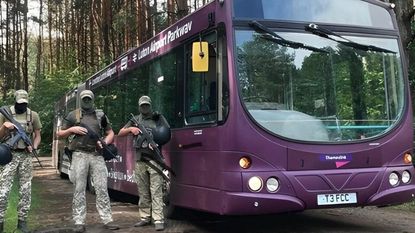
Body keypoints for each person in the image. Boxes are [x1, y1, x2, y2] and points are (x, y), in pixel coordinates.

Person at [56, 90, 119, 233]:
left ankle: (107, 219)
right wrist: (72, 129)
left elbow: (110, 132)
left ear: (93, 99)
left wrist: (105, 142)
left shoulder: (100, 115)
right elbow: (59, 134)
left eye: (89, 99)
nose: (86, 101)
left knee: (102, 187)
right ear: (80, 100)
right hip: (79, 154)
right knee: (79, 188)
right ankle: (79, 221)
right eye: (84, 99)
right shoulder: (74, 115)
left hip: (97, 155)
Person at [118, 95, 170, 231]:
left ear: (150, 105)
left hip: (154, 159)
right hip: (140, 159)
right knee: (142, 190)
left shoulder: (158, 118)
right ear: (139, 106)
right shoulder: (135, 119)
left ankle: (158, 218)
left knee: (156, 190)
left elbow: (167, 133)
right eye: (142, 105)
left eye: (147, 105)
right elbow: (120, 132)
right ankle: (145, 217)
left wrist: (157, 142)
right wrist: (131, 129)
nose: (144, 107)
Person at [0, 89, 42, 233]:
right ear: (15, 101)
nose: (22, 106)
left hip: (25, 156)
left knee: (26, 190)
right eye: (20, 103)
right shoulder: (5, 114)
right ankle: (0, 221)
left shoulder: (33, 115)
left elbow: (37, 135)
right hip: (8, 154)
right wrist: (4, 127)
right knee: (3, 190)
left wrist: (34, 146)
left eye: (24, 103)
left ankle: (22, 222)